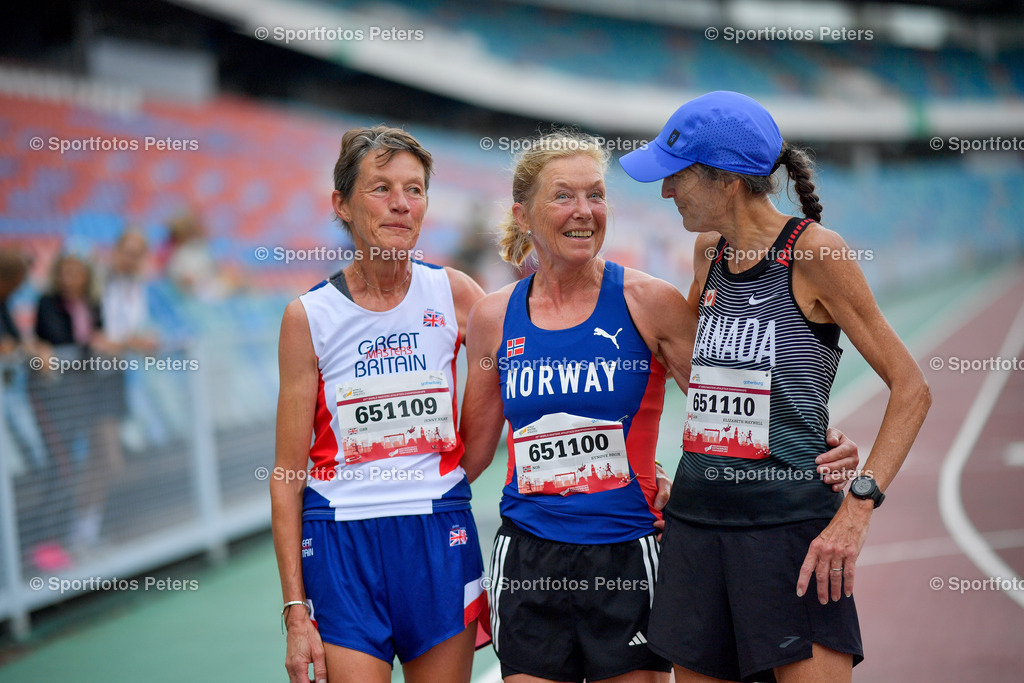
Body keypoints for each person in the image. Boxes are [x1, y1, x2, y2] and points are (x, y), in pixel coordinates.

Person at [458, 129, 861, 683]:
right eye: (563, 196)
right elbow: (470, 455)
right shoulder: (494, 317)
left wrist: (821, 438)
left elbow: (729, 404)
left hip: (628, 555)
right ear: (523, 214)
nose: (585, 211)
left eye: (596, 195)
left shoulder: (650, 303)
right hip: (529, 561)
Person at [619, 91, 931, 682]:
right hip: (696, 526)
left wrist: (858, 508)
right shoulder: (709, 252)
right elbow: (699, 375)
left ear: (727, 180)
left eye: (676, 177)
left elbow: (912, 388)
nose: (664, 191)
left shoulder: (814, 253)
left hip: (789, 534)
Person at [270, 125, 488, 683]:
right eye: (381, 188)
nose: (400, 204)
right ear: (341, 204)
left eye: (414, 190)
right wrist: (296, 613)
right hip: (341, 543)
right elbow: (287, 474)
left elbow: (537, 370)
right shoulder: (308, 316)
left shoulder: (457, 293)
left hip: (439, 533)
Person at [31, 250, 126, 552]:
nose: (69, 278)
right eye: (64, 271)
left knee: (108, 460)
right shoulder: (47, 304)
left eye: (76, 271)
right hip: (58, 400)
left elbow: (101, 342)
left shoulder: (93, 303)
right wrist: (92, 345)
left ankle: (84, 532)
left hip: (95, 394)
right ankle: (53, 542)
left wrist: (103, 344)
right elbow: (60, 343)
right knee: (62, 467)